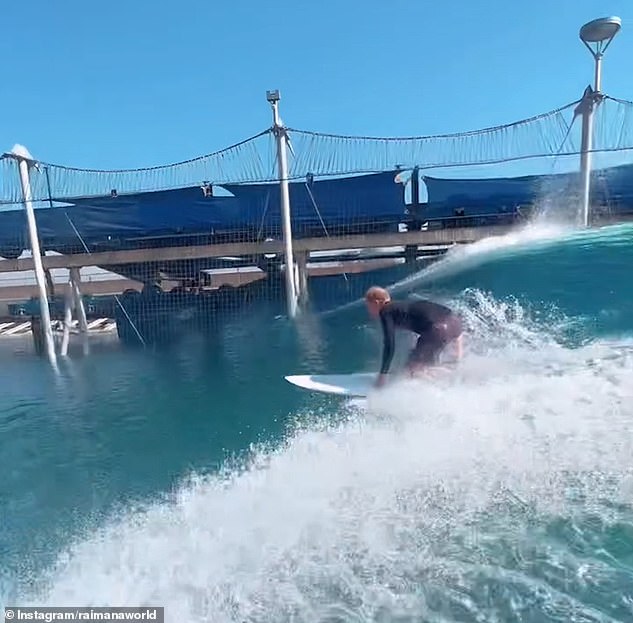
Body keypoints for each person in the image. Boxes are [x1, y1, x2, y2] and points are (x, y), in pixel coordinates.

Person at [365, 286, 463, 387]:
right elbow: (448, 314)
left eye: (368, 307)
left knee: (412, 370)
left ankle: (439, 386)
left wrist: (383, 374)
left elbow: (389, 344)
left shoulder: (386, 311)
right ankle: (455, 376)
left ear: (376, 303)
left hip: (437, 330)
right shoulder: (403, 306)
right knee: (429, 363)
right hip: (455, 323)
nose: (369, 311)